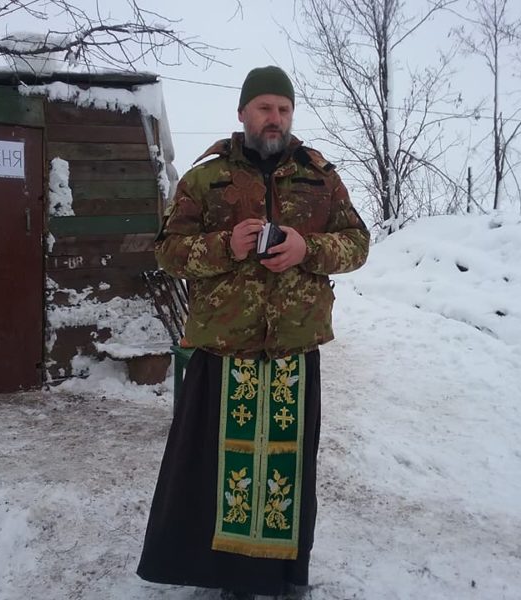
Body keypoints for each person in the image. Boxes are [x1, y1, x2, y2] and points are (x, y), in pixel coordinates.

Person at [137, 65, 370, 599]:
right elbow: (168, 253)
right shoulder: (206, 179)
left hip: (293, 349)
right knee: (218, 468)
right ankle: (227, 578)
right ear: (243, 112)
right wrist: (226, 246)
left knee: (288, 471)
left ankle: (284, 576)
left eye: (284, 109)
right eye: (265, 107)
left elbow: (357, 243)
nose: (275, 118)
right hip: (226, 347)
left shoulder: (320, 177)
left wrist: (308, 248)